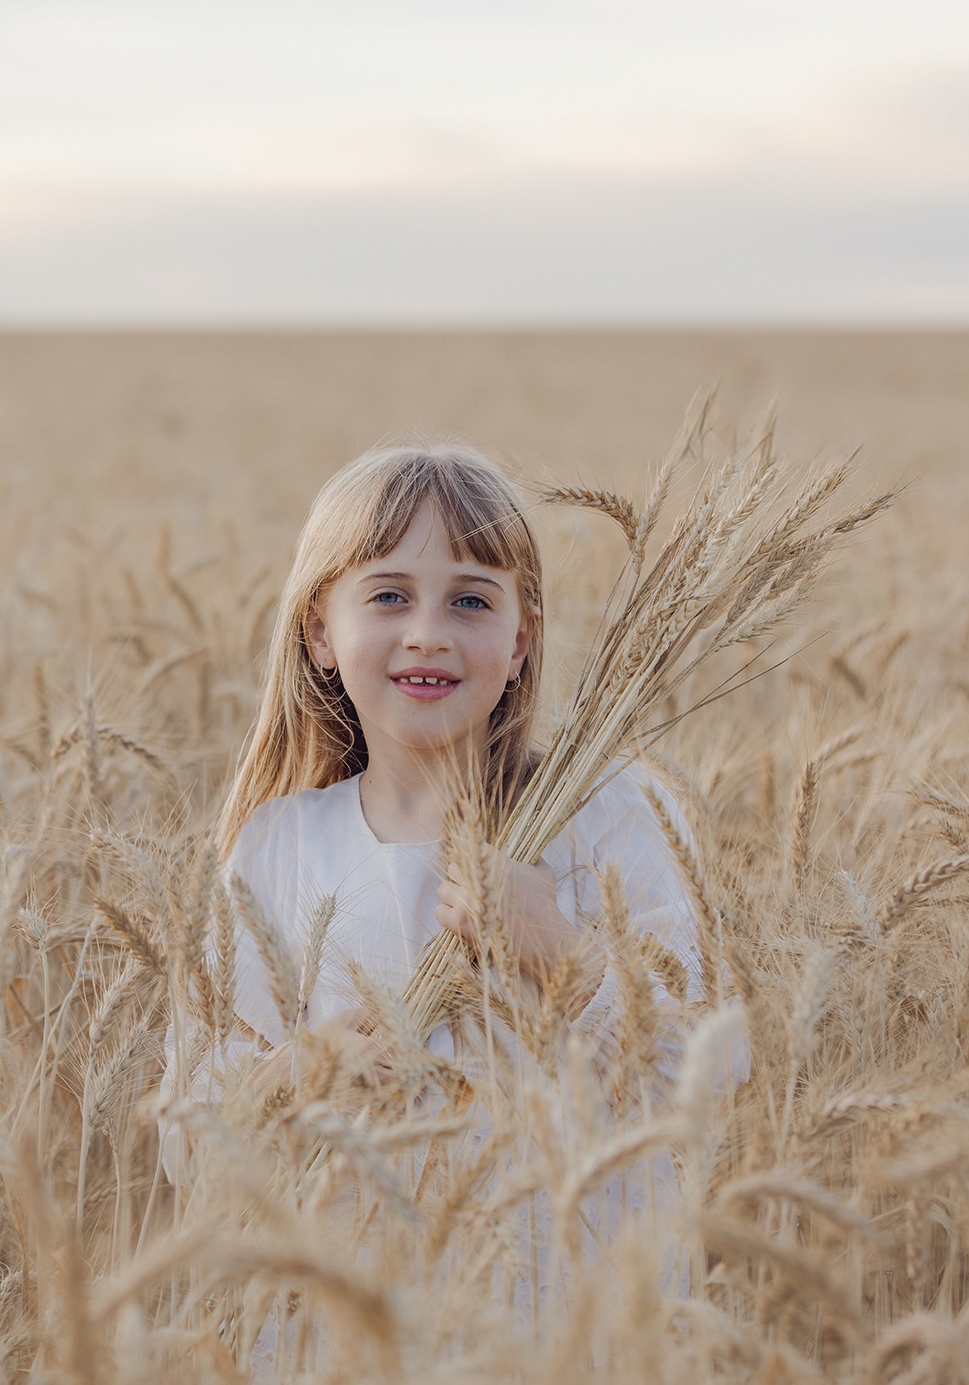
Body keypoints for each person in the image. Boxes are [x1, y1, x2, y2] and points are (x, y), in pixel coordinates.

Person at [159, 442, 740, 1317]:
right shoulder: (276, 847)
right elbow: (192, 1135)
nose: (428, 631)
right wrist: (296, 1073)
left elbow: (707, 1074)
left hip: (573, 1329)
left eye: (471, 600)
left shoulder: (604, 814)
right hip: (346, 1335)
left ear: (520, 640)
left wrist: (557, 953)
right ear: (321, 630)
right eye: (388, 595)